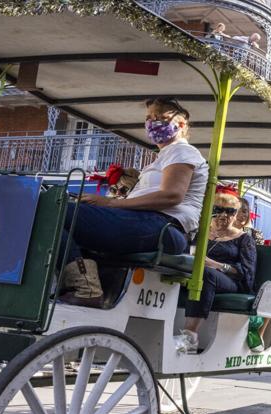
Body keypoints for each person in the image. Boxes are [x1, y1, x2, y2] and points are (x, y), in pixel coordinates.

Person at [60, 97, 206, 306]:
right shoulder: (164, 156)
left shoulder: (182, 151)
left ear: (181, 124)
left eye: (159, 118)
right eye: (148, 118)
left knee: (61, 213)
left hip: (163, 226)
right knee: (57, 212)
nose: (151, 123)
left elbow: (172, 195)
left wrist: (110, 204)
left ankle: (87, 289)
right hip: (148, 222)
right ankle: (81, 283)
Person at [176, 187, 256, 353]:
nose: (223, 216)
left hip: (230, 280)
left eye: (229, 212)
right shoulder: (199, 233)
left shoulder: (244, 239)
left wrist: (215, 265)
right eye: (217, 210)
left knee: (205, 274)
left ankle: (190, 335)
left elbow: (246, 272)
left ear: (235, 215)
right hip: (194, 273)